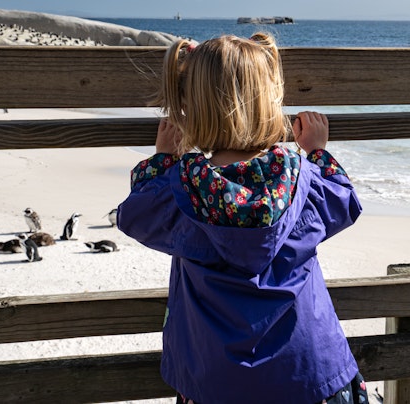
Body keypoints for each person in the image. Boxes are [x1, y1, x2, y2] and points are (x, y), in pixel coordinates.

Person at [117, 32, 366, 404]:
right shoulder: (302, 178)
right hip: (310, 374)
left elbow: (136, 214)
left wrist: (162, 159)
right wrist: (316, 152)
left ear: (191, 107)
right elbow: (344, 202)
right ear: (270, 100)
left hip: (215, 382)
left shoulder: (179, 189)